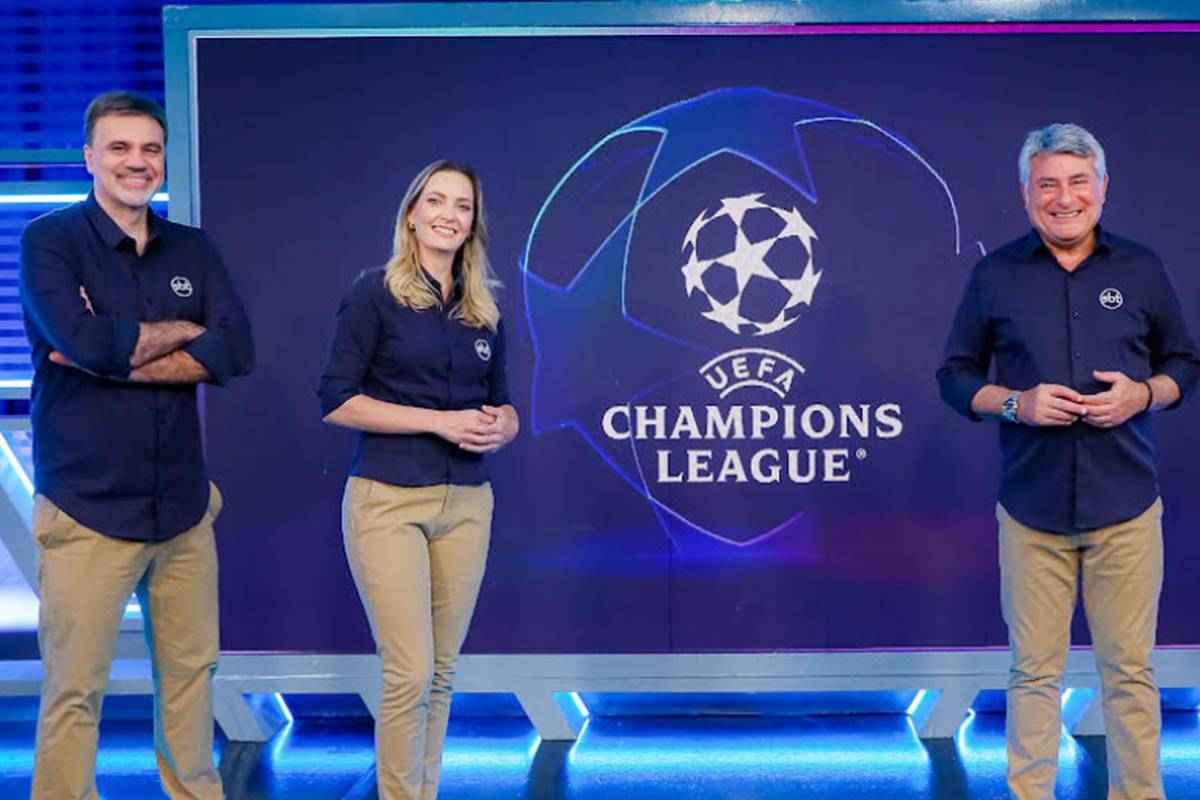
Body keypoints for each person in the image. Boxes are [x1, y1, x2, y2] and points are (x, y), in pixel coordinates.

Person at [937, 123, 1198, 800]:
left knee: (1130, 674)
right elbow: (956, 375)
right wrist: (1015, 403)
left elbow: (1183, 365)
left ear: (1102, 189)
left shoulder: (1141, 269)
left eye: (1078, 182)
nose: (1064, 198)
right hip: (1032, 510)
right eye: (1048, 184)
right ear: (1027, 195)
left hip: (1126, 509)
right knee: (1032, 675)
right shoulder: (994, 275)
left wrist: (1144, 394)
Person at [18, 91, 254, 798]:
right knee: (75, 689)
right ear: (90, 158)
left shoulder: (193, 248)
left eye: (150, 148)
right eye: (119, 148)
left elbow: (236, 349)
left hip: (182, 505)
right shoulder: (51, 242)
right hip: (88, 506)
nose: (136, 162)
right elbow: (81, 342)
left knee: (190, 679)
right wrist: (188, 330)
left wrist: (123, 349)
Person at [319, 160, 518, 799]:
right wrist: (441, 422)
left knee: (441, 672)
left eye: (462, 206)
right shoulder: (374, 292)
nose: (449, 215)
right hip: (388, 500)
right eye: (437, 201)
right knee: (408, 671)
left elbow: (502, 401)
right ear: (411, 213)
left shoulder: (483, 306)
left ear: (473, 223)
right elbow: (337, 399)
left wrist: (504, 424)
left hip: (467, 503)